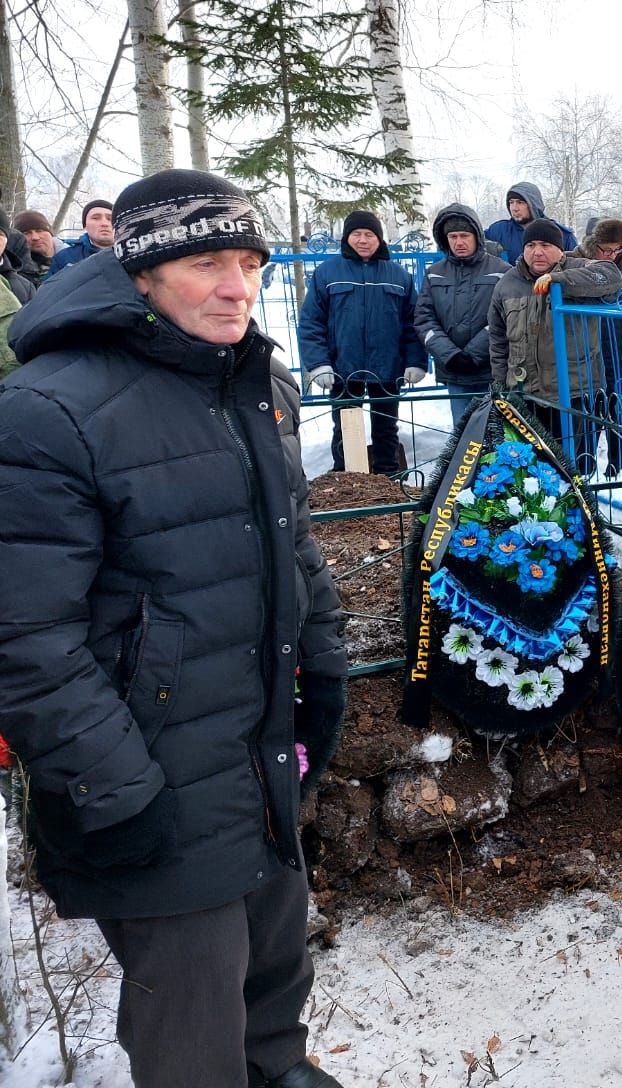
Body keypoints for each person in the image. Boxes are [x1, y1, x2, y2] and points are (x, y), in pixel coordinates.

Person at [0, 169, 348, 1088]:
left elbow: (295, 549)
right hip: (147, 778)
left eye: (250, 260)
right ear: (142, 275)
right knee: (192, 1026)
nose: (238, 284)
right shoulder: (51, 411)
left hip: (257, 752)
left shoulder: (256, 384)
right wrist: (115, 788)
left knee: (275, 983)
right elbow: (26, 638)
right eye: (206, 262)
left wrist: (325, 672)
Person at [488, 217, 622, 475]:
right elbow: (498, 341)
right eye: (531, 245)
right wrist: (501, 388)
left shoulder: (579, 267)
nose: (537, 252)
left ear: (560, 249)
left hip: (573, 394)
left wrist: (558, 279)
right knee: (526, 471)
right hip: (524, 394)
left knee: (569, 471)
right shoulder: (507, 283)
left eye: (546, 245)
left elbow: (611, 277)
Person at [298, 210, 426, 475]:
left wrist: (415, 360)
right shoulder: (327, 273)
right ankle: (348, 480)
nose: (363, 240)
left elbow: (413, 324)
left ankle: (388, 479)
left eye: (369, 234)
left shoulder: (398, 275)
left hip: (387, 368)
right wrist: (319, 364)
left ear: (379, 239)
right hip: (343, 369)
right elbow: (312, 322)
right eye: (357, 234)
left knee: (386, 426)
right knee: (346, 427)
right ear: (347, 238)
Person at [416, 203, 508, 426]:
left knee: (495, 436)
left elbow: (503, 318)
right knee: (463, 435)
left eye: (464, 235)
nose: (458, 242)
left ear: (476, 235)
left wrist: (473, 354)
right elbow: (424, 318)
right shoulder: (434, 273)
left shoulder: (501, 271)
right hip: (454, 371)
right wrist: (452, 356)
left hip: (491, 370)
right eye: (453, 236)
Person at [576, 218, 622, 473]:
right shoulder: (579, 274)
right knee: (585, 427)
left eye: (615, 249)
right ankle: (582, 476)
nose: (610, 255)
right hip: (587, 363)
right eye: (604, 249)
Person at [484, 181, 576, 258]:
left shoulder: (562, 234)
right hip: (509, 279)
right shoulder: (498, 231)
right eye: (511, 202)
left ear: (534, 204)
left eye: (520, 202)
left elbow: (576, 269)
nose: (514, 208)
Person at [47, 198, 114, 277]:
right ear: (84, 225)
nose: (104, 223)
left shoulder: (130, 253)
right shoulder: (64, 258)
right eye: (96, 218)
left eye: (110, 219)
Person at [13, 209, 56, 294]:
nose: (35, 237)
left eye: (39, 231)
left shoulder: (74, 256)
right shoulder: (17, 269)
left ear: (50, 233)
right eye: (27, 233)